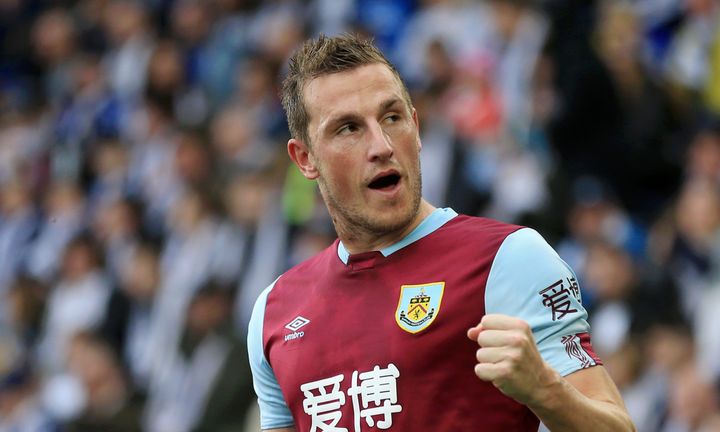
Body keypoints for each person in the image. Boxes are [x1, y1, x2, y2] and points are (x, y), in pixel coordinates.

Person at [247, 34, 635, 432]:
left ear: (415, 127)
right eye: (349, 128)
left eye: (391, 117)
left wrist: (545, 389)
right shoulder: (275, 313)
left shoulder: (507, 259)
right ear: (305, 158)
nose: (381, 145)